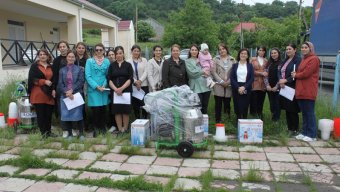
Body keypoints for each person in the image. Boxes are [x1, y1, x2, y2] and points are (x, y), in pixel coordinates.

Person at [292, 42, 320, 142]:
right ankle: (304, 132)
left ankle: (312, 134)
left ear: (310, 48)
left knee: (309, 113)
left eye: (306, 47)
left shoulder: (314, 59)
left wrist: (296, 75)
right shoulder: (304, 59)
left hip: (309, 90)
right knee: (304, 113)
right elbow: (301, 73)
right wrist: (296, 74)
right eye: (302, 48)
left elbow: (306, 73)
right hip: (301, 90)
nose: (303, 49)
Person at [57, 50, 85, 140]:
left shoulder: (79, 69)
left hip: (76, 95)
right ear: (66, 58)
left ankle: (81, 133)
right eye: (69, 56)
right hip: (65, 95)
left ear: (75, 58)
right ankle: (69, 133)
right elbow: (60, 84)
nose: (71, 58)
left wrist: (72, 91)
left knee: (78, 115)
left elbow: (81, 81)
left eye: (72, 57)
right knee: (67, 115)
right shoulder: (62, 70)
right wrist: (67, 92)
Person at [28, 49, 55, 138]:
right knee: (41, 115)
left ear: (48, 56)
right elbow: (32, 79)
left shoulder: (51, 67)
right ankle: (43, 133)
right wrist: (44, 81)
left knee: (48, 114)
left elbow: (54, 79)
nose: (42, 56)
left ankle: (49, 132)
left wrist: (54, 89)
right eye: (40, 54)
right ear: (38, 56)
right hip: (38, 94)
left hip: (49, 94)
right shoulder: (34, 66)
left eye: (44, 54)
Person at [85, 43, 110, 137]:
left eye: (101, 50)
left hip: (104, 89)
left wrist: (103, 85)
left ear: (103, 50)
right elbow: (88, 76)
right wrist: (96, 86)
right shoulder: (89, 61)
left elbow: (108, 75)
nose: (99, 51)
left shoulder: (107, 61)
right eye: (97, 50)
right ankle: (96, 128)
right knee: (95, 110)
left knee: (103, 109)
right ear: (94, 51)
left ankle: (103, 128)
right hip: (94, 90)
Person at [108, 46, 133, 134]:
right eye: (117, 53)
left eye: (120, 53)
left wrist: (121, 89)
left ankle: (125, 129)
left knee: (125, 111)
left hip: (126, 91)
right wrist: (116, 89)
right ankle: (120, 129)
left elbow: (130, 79)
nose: (119, 55)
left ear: (123, 54)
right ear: (115, 55)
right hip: (115, 92)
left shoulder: (128, 65)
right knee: (117, 111)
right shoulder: (111, 66)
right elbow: (109, 79)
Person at [278, 43, 301, 135]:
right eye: (287, 49)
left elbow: (295, 74)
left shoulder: (298, 60)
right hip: (284, 87)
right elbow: (280, 71)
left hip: (292, 87)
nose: (288, 51)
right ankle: (289, 128)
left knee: (293, 109)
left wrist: (285, 81)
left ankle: (295, 129)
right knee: (287, 108)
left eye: (290, 49)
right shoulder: (285, 60)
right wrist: (281, 80)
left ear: (295, 50)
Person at [212, 43, 235, 123]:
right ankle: (217, 121)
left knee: (227, 104)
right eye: (220, 49)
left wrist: (229, 81)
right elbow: (213, 72)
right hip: (218, 85)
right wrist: (221, 81)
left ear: (226, 49)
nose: (222, 51)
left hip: (229, 85)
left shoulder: (232, 59)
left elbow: (234, 73)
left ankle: (227, 121)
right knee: (218, 104)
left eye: (223, 49)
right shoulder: (215, 59)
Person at [185, 44, 211, 114]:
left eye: (196, 50)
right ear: (190, 51)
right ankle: (197, 123)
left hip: (206, 86)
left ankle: (204, 123)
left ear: (198, 51)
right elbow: (192, 74)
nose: (194, 51)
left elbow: (209, 69)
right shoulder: (187, 61)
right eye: (192, 50)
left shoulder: (202, 59)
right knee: (197, 108)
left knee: (205, 107)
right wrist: (203, 71)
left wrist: (203, 71)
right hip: (196, 88)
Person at [230, 48, 254, 121]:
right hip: (236, 87)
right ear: (239, 55)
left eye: (245, 54)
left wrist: (244, 87)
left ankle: (244, 121)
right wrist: (238, 87)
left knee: (245, 105)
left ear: (247, 56)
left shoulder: (250, 66)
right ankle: (238, 120)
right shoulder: (235, 65)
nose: (243, 55)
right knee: (237, 105)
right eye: (241, 53)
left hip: (246, 87)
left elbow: (251, 78)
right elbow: (232, 77)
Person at [127, 45, 149, 119]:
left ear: (140, 52)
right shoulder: (128, 61)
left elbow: (146, 71)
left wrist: (140, 81)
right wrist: (136, 82)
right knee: (136, 105)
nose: (136, 52)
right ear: (132, 51)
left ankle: (145, 119)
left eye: (138, 51)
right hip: (134, 86)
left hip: (144, 85)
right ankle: (137, 120)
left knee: (144, 104)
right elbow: (129, 74)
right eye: (135, 51)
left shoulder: (144, 60)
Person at [52, 40, 69, 120]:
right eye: (60, 47)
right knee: (61, 108)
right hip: (60, 87)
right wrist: (54, 88)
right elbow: (54, 75)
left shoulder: (72, 58)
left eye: (64, 46)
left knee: (72, 107)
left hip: (71, 87)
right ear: (58, 49)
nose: (62, 48)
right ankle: (64, 128)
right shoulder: (56, 60)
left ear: (67, 47)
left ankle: (73, 127)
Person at [249, 46, 268, 119]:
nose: (261, 52)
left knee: (261, 99)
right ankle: (253, 114)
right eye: (260, 50)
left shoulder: (266, 60)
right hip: (254, 82)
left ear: (265, 52)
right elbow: (250, 71)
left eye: (263, 50)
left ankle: (260, 114)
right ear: (257, 51)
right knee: (253, 100)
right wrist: (261, 73)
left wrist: (266, 73)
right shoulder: (252, 59)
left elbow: (267, 70)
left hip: (263, 83)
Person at [264, 48, 281, 122]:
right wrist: (267, 85)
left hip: (278, 87)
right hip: (269, 88)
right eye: (272, 53)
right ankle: (272, 119)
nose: (273, 54)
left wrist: (277, 86)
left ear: (278, 53)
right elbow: (265, 75)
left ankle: (276, 120)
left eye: (275, 53)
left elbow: (282, 76)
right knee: (272, 104)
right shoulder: (269, 63)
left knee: (277, 104)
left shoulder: (282, 63)